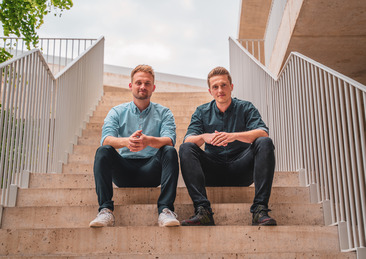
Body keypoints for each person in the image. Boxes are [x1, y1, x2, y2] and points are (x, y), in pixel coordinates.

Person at [179, 66, 277, 226]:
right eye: (215, 87)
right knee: (186, 148)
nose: (220, 90)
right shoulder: (201, 111)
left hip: (241, 169)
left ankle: (260, 209)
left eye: (224, 85)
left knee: (264, 142)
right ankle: (203, 211)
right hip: (212, 171)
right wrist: (205, 137)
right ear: (210, 91)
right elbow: (188, 140)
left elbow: (263, 132)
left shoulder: (246, 107)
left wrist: (233, 136)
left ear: (231, 87)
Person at [89, 64, 180, 228]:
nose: (142, 87)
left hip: (152, 170)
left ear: (153, 88)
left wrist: (149, 141)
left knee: (169, 151)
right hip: (124, 171)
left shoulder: (164, 112)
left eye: (147, 83)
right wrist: (126, 142)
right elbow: (106, 139)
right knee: (103, 151)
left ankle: (166, 210)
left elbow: (169, 139)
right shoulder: (116, 112)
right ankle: (105, 211)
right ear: (131, 86)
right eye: (138, 83)